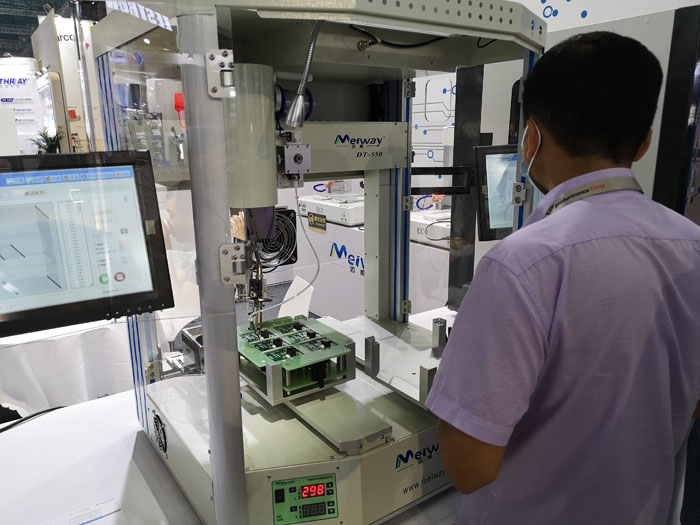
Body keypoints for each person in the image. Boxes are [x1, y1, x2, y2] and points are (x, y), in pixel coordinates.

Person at [426, 31, 700, 524]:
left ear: (531, 138)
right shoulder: (693, 245)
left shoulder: (523, 264)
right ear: (643, 143)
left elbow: (468, 468)